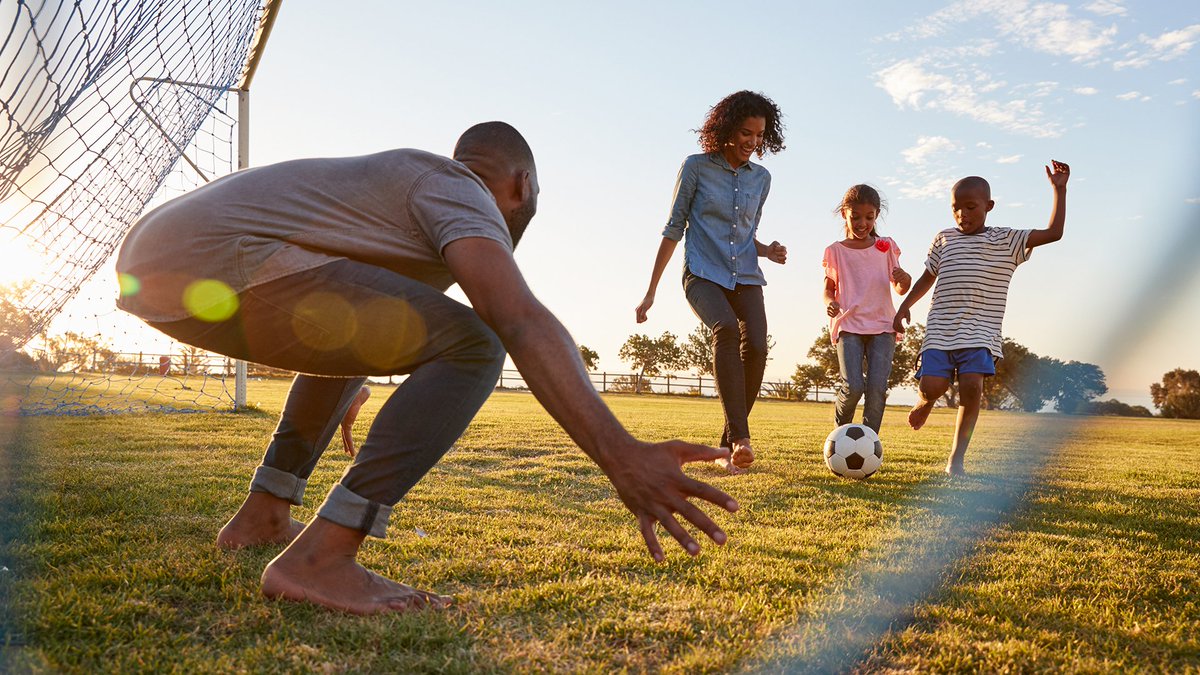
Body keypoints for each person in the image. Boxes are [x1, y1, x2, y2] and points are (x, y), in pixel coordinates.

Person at [114, 122, 740, 615]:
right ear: (522, 185)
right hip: (214, 256)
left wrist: (348, 375)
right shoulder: (456, 187)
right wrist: (620, 453)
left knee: (388, 331)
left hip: (160, 264)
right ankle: (321, 560)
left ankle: (262, 516)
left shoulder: (409, 202)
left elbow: (349, 317)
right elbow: (517, 318)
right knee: (477, 343)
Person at [634, 90, 787, 475]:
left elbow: (745, 235)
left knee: (757, 346)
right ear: (727, 129)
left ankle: (727, 446)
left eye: (759, 135)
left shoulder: (762, 179)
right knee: (726, 329)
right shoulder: (696, 167)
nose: (752, 142)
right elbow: (674, 228)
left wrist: (767, 250)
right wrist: (651, 291)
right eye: (746, 133)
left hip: (746, 276)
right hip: (702, 274)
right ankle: (742, 439)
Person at [893, 161, 1070, 475]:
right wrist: (905, 305)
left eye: (970, 207)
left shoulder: (1007, 240)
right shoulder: (944, 238)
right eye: (956, 208)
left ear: (989, 206)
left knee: (972, 387)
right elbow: (927, 277)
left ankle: (956, 459)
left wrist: (1059, 190)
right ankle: (925, 401)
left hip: (981, 331)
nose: (962, 214)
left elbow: (1054, 233)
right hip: (941, 329)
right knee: (932, 386)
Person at [822, 184, 911, 434]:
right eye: (856, 217)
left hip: (883, 326)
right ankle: (839, 437)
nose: (862, 223)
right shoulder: (836, 251)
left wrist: (905, 279)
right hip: (849, 325)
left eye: (869, 218)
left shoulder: (886, 247)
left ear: (876, 215)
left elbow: (900, 288)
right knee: (853, 387)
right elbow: (828, 289)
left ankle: (869, 441)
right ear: (844, 214)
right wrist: (830, 303)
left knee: (876, 389)